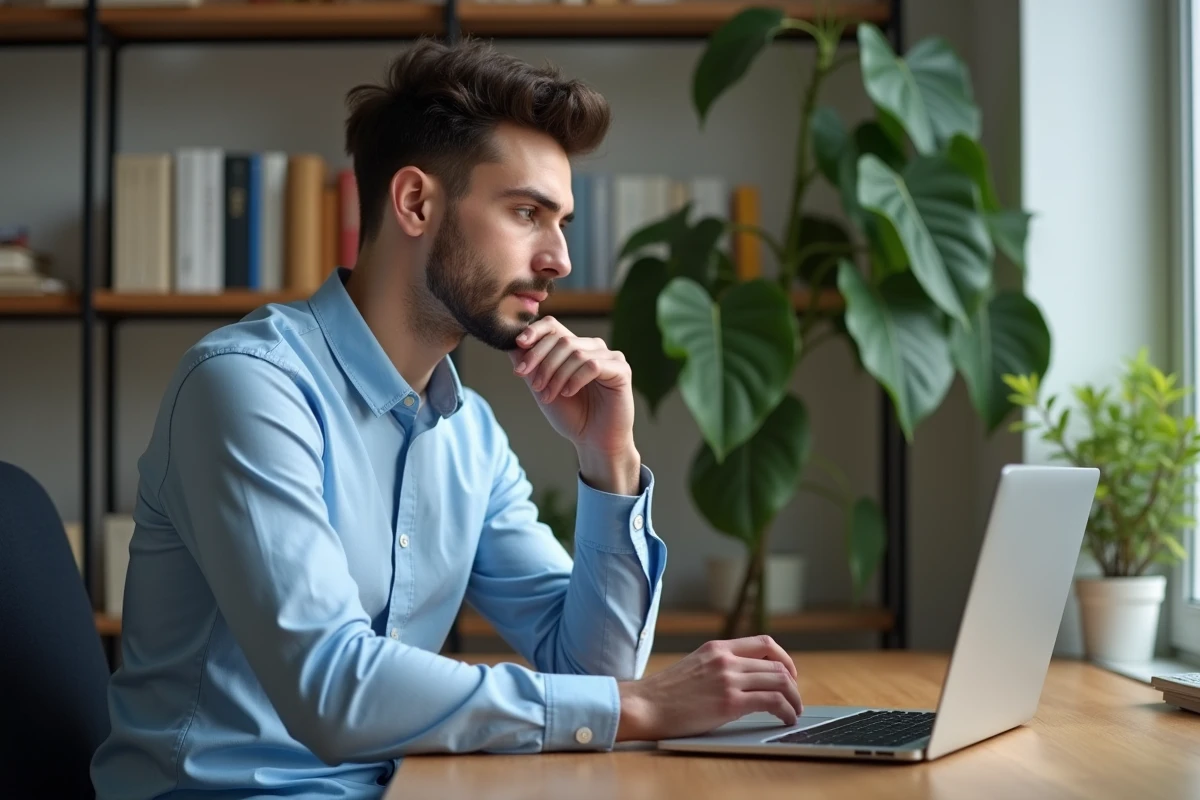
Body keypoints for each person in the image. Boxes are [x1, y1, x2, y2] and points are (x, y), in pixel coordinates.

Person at [89, 37, 804, 799]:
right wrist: (643, 704)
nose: (560, 258)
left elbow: (592, 675)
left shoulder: (470, 435)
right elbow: (331, 688)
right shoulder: (245, 389)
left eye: (560, 221)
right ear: (416, 203)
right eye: (527, 212)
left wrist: (610, 462)